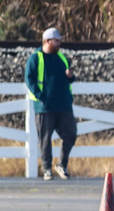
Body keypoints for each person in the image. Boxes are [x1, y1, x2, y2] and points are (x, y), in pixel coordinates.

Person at [24, 27, 77, 180]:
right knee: (45, 140)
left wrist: (70, 77)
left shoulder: (61, 57)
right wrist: (40, 96)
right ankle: (47, 168)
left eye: (59, 40)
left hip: (64, 105)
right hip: (45, 107)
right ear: (47, 41)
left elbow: (68, 78)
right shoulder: (36, 58)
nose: (59, 43)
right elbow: (30, 79)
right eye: (56, 40)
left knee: (71, 134)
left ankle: (62, 164)